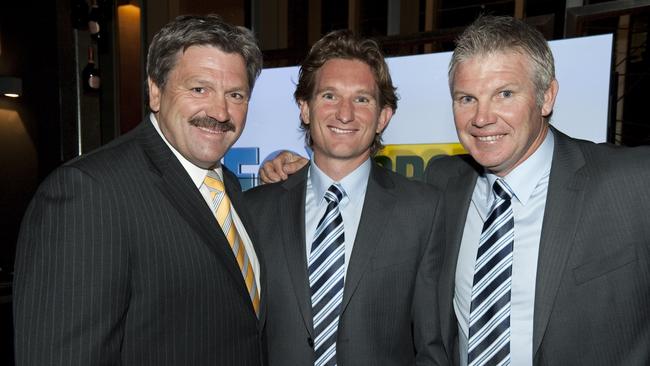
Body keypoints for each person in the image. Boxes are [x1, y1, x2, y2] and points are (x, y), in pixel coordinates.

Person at [259, 15, 650, 366]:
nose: (482, 117)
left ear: (546, 96)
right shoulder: (442, 184)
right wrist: (289, 165)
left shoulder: (631, 181)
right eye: (467, 99)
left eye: (505, 94)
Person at [13, 15, 265, 365]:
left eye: (235, 94)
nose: (220, 111)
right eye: (199, 89)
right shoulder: (89, 192)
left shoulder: (230, 186)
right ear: (155, 92)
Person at [245, 30, 447, 365]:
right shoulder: (256, 210)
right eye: (329, 96)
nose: (344, 114)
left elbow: (431, 346)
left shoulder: (423, 211)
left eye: (362, 99)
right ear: (305, 108)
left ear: (383, 117)